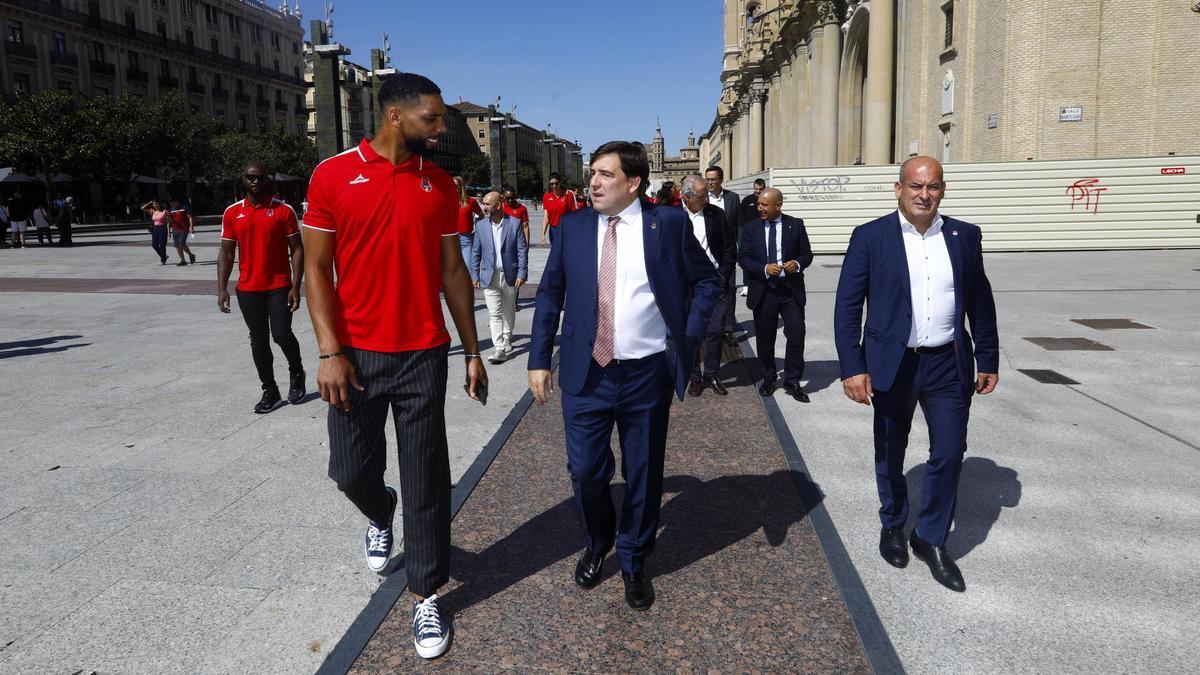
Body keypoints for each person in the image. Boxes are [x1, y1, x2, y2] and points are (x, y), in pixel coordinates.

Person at [301, 72, 486, 660]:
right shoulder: (332, 175)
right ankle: (379, 512)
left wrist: (474, 350)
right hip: (354, 356)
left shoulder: (440, 185)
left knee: (427, 478)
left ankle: (427, 596)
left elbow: (453, 272)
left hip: (423, 353)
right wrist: (330, 351)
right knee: (350, 470)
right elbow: (315, 271)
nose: (440, 128)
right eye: (431, 119)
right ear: (394, 115)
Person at [528, 141, 722, 611]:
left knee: (643, 472)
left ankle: (634, 556)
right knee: (586, 472)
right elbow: (550, 294)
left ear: (633, 183)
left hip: (646, 374)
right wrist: (537, 359)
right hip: (586, 372)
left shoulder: (668, 223)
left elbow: (708, 281)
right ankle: (598, 541)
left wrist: (689, 338)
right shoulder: (572, 227)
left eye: (604, 175)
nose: (592, 182)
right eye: (592, 173)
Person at [833, 156, 999, 593]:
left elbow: (980, 301)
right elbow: (848, 307)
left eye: (934, 187)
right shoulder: (871, 237)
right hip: (894, 362)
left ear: (942, 190)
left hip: (948, 362)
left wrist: (989, 358)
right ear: (899, 188)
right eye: (916, 186)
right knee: (890, 448)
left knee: (948, 452)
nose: (924, 194)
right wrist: (853, 367)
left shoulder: (965, 236)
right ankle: (893, 523)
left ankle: (930, 538)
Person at [217, 164, 307, 414]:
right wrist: (222, 288)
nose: (255, 181)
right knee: (258, 341)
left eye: (260, 177)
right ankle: (270, 390)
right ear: (243, 179)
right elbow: (226, 251)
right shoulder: (233, 213)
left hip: (278, 286)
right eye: (250, 177)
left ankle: (297, 371)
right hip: (247, 288)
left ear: (268, 180)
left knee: (281, 334)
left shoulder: (282, 210)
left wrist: (296, 286)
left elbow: (297, 249)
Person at [740, 188, 813, 402]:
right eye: (759, 204)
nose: (759, 208)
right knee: (765, 338)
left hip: (790, 291)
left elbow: (807, 254)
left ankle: (792, 380)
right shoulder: (751, 228)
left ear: (778, 206)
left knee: (797, 334)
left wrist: (797, 264)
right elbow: (743, 258)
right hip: (765, 292)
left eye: (764, 204)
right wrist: (764, 268)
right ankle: (769, 377)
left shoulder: (795, 225)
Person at [679, 174, 736, 397]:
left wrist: (722, 276)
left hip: (713, 281)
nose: (706, 199)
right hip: (686, 285)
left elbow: (730, 248)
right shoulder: (674, 217)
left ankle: (711, 373)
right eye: (702, 195)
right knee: (692, 332)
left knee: (715, 330)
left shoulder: (716, 214)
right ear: (686, 197)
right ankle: (694, 376)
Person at [470, 191, 527, 364]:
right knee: (494, 313)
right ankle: (499, 348)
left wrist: (522, 272)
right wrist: (474, 273)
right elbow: (475, 251)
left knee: (508, 310)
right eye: (484, 203)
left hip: (510, 274)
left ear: (498, 205)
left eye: (487, 204)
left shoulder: (515, 224)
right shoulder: (480, 226)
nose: (484, 207)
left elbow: (521, 250)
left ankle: (507, 337)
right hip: (489, 276)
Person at [705, 166, 741, 344]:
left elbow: (738, 225)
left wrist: (740, 248)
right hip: (706, 253)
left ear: (721, 180)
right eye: (708, 179)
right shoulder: (701, 197)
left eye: (713, 180)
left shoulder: (733, 198)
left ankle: (728, 328)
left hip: (727, 252)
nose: (710, 183)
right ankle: (708, 326)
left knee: (729, 289)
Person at [540, 172, 578, 247]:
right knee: (556, 253)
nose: (554, 186)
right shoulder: (546, 196)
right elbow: (546, 216)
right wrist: (542, 235)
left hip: (566, 229)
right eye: (552, 184)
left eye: (556, 183)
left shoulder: (568, 194)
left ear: (560, 182)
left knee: (567, 253)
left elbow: (575, 215)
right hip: (553, 230)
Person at [453, 175, 483, 265]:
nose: (453, 188)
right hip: (451, 238)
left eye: (456, 185)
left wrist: (478, 231)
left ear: (461, 186)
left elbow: (482, 216)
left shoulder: (471, 201)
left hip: (466, 238)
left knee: (468, 267)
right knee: (453, 268)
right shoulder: (447, 201)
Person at [167, 197, 196, 266]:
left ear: (177, 202)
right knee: (177, 246)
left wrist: (191, 227)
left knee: (181, 244)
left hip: (184, 229)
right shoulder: (171, 210)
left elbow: (190, 217)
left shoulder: (184, 207)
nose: (172, 205)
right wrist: (169, 231)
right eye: (171, 204)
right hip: (175, 230)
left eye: (173, 203)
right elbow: (169, 221)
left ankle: (191, 255)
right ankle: (183, 260)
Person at [141, 200, 171, 264]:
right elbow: (142, 208)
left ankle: (163, 260)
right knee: (154, 245)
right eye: (154, 204)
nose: (155, 205)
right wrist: (149, 203)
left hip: (163, 228)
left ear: (159, 204)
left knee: (162, 245)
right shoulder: (152, 211)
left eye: (156, 204)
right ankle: (164, 256)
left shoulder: (165, 211)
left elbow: (168, 222)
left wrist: (169, 232)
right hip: (155, 229)